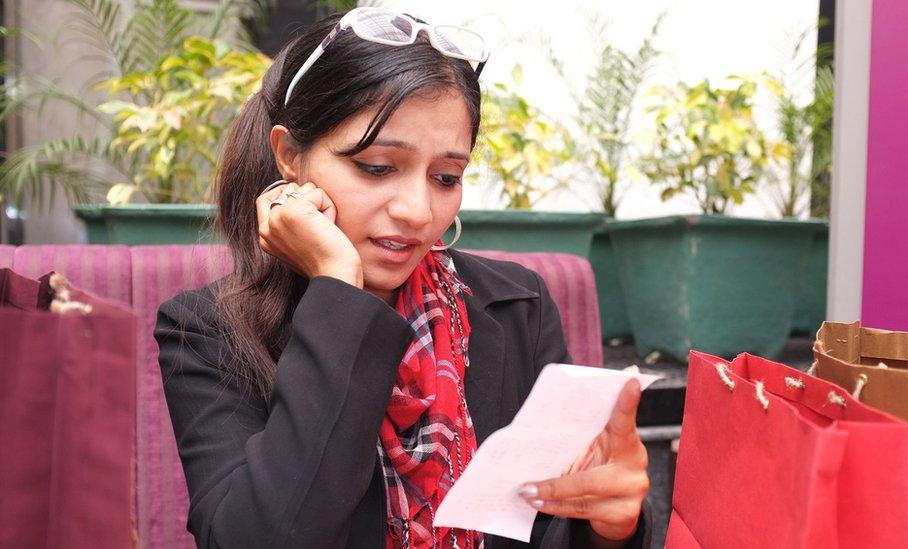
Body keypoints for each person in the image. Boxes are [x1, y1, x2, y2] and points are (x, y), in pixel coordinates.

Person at [154, 8, 652, 548]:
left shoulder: (515, 307)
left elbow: (553, 526)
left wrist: (611, 525)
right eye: (376, 167)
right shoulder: (208, 332)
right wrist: (339, 292)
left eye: (445, 177)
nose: (418, 211)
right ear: (291, 157)